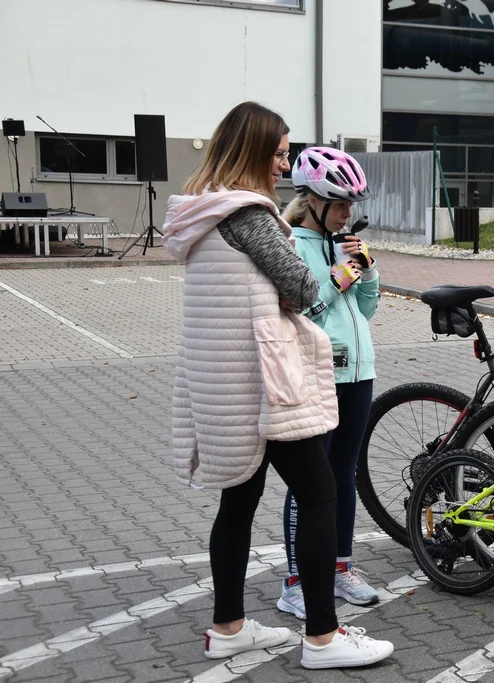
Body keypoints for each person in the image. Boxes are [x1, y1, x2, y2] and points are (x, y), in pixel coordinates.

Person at [162, 101, 393, 670]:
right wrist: (331, 267)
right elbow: (303, 290)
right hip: (263, 383)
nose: (282, 167)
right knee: (318, 492)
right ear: (252, 153)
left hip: (221, 382)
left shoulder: (204, 214)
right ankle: (321, 637)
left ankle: (229, 628)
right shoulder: (251, 216)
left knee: (238, 501)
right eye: (280, 154)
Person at [277, 147, 382, 617]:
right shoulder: (291, 246)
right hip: (318, 375)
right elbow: (305, 312)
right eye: (340, 205)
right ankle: (297, 581)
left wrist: (368, 271)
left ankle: (340, 568)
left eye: (351, 206)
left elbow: (365, 311)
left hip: (359, 373)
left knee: (344, 475)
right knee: (309, 481)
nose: (347, 215)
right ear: (313, 201)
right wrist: (340, 278)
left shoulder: (341, 244)